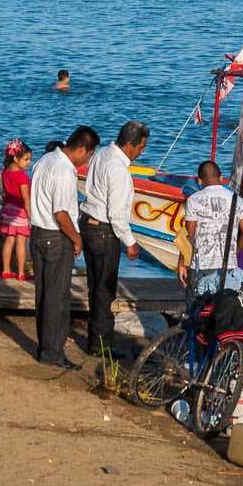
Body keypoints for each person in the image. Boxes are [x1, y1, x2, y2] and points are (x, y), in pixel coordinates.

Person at [30, 127, 98, 368]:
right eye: (88, 156)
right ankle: (52, 352)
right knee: (57, 297)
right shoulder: (63, 171)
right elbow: (61, 213)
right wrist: (77, 239)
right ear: (81, 149)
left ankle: (46, 346)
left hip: (38, 231)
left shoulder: (45, 159)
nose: (86, 161)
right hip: (55, 236)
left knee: (44, 293)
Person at [80, 120, 148, 357]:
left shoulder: (102, 154)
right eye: (141, 147)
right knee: (104, 289)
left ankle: (95, 340)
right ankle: (101, 345)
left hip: (88, 221)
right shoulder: (118, 168)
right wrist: (129, 241)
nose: (142, 152)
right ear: (129, 144)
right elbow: (117, 214)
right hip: (103, 230)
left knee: (94, 285)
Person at [180, 160, 243, 290]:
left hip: (201, 264)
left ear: (199, 181)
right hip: (228, 264)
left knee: (199, 304)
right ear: (221, 178)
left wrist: (182, 263)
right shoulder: (237, 199)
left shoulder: (193, 200)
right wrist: (234, 252)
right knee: (224, 304)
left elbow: (189, 235)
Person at [0, 140, 33, 281]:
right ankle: (20, 273)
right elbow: (25, 199)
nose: (28, 163)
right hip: (20, 212)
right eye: (26, 159)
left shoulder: (5, 172)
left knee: (9, 241)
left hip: (8, 210)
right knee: (21, 243)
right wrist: (30, 216)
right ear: (15, 158)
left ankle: (6, 271)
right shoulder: (21, 176)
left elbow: (6, 193)